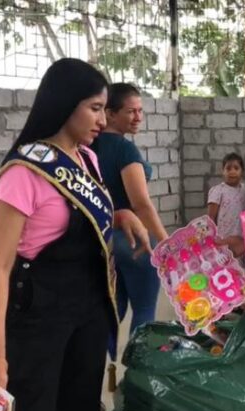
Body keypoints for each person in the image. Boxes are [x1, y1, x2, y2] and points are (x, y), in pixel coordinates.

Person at [0, 58, 150, 411]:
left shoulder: (86, 159)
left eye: (104, 109)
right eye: (95, 108)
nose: (103, 121)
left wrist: (119, 214)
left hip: (89, 311)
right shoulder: (24, 172)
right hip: (39, 318)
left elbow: (78, 218)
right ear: (65, 103)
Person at [91, 83, 168, 334]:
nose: (138, 117)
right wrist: (166, 242)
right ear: (110, 114)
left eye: (140, 111)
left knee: (115, 308)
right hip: (134, 239)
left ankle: (91, 367)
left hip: (101, 238)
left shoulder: (88, 146)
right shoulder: (124, 149)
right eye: (131, 112)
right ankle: (138, 371)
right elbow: (141, 204)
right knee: (144, 310)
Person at [207, 152, 245, 239]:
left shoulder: (244, 189)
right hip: (224, 239)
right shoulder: (218, 191)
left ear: (242, 171)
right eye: (228, 168)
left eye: (236, 168)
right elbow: (210, 218)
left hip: (242, 238)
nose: (232, 172)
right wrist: (211, 238)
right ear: (223, 171)